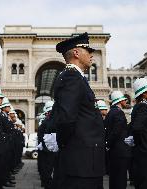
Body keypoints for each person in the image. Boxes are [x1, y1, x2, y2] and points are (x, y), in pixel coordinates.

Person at [54, 32, 105, 189]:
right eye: (88, 51)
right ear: (76, 53)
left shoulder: (77, 77)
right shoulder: (71, 77)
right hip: (81, 162)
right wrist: (69, 147)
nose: (91, 55)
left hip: (85, 160)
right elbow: (67, 119)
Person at [105, 91, 131, 189]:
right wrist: (109, 143)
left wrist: (108, 144)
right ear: (120, 101)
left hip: (113, 152)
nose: (126, 101)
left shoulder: (110, 112)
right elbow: (116, 131)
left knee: (114, 178)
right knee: (120, 179)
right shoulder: (118, 113)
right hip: (120, 151)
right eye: (124, 99)